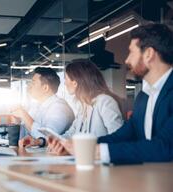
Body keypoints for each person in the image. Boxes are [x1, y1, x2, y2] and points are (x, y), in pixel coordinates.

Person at [48, 23, 173, 165]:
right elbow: (122, 136)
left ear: (149, 54)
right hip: (148, 178)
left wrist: (98, 152)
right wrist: (78, 147)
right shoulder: (143, 97)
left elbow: (165, 147)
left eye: (132, 52)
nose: (127, 60)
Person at [47, 59, 123, 155]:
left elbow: (118, 138)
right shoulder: (83, 105)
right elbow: (71, 133)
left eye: (66, 78)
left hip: (101, 161)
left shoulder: (105, 102)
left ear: (76, 82)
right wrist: (57, 142)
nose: (65, 83)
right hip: (85, 160)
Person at [12, 67, 74, 148]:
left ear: (45, 88)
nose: (29, 86)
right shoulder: (36, 106)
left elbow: (47, 136)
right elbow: (26, 134)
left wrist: (24, 115)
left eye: (33, 83)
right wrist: (18, 121)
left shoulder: (59, 108)